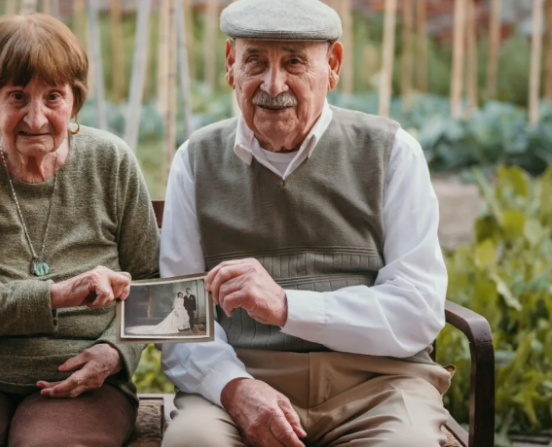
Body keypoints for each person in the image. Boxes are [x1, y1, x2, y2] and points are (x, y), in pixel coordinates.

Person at [159, 0, 452, 446]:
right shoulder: (196, 160)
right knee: (193, 442)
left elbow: (417, 309)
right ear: (230, 65)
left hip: (380, 384)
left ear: (332, 65)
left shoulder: (391, 151)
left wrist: (286, 306)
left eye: (294, 61)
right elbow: (180, 318)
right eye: (255, 60)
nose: (272, 84)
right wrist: (235, 389)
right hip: (246, 376)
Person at [0, 13, 159, 447]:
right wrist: (56, 295)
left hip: (82, 371)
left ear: (74, 101)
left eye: (53, 97)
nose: (36, 118)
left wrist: (115, 352)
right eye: (17, 96)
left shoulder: (110, 161)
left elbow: (150, 280)